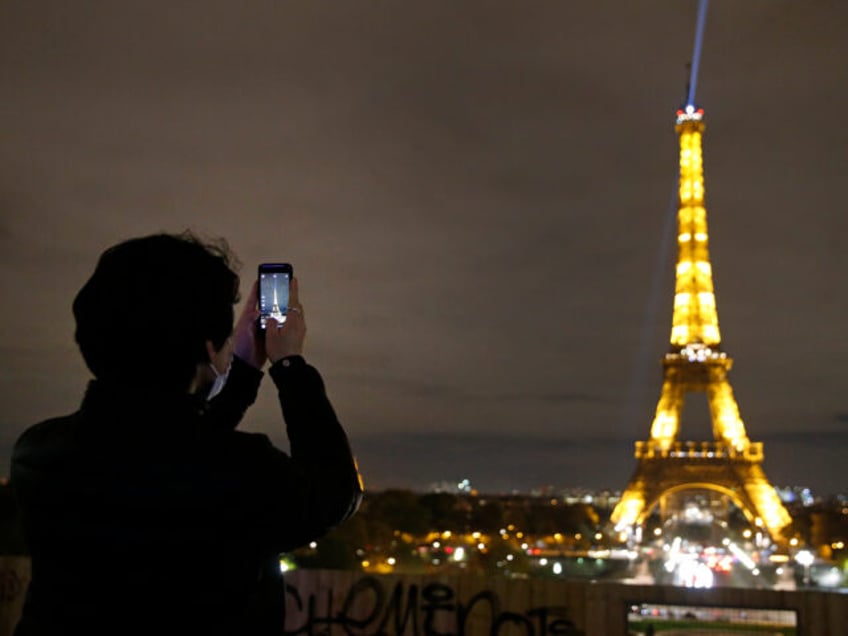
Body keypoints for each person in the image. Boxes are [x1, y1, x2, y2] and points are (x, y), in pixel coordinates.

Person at [10, 232, 363, 635]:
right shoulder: (247, 472)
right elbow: (334, 494)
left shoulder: (37, 455)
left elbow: (169, 449)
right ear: (210, 347)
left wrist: (243, 370)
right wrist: (288, 365)